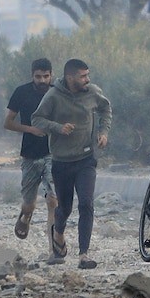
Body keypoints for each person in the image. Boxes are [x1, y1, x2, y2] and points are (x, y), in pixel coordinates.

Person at [32, 58, 112, 269]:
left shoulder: (92, 92)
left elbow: (106, 109)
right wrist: (58, 127)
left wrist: (103, 132)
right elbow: (36, 119)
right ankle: (58, 233)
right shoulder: (53, 95)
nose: (87, 79)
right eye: (83, 76)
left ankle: (84, 254)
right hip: (61, 161)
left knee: (86, 203)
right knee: (65, 208)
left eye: (88, 75)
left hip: (86, 159)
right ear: (70, 77)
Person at [4, 58, 59, 251]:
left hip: (53, 154)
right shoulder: (21, 92)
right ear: (32, 76)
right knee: (29, 203)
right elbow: (8, 122)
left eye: (46, 76)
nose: (42, 80)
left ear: (51, 75)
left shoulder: (57, 93)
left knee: (53, 200)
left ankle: (55, 248)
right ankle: (25, 216)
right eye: (38, 76)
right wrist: (31, 129)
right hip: (29, 155)